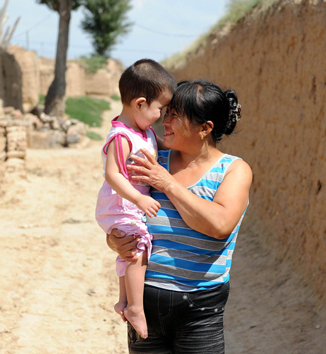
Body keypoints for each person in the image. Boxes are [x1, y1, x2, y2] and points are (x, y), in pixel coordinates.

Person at [107, 79, 252, 353]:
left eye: (176, 115)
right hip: (145, 304)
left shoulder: (234, 170)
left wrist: (168, 184)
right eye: (167, 112)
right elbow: (121, 211)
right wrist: (114, 240)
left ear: (204, 128)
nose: (166, 121)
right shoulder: (152, 161)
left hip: (200, 309)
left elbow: (219, 225)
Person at [95, 59, 177, 339]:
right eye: (159, 109)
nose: (161, 116)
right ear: (140, 103)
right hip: (121, 203)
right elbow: (113, 175)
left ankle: (122, 300)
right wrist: (139, 200)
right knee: (137, 249)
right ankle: (135, 308)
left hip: (128, 204)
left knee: (130, 250)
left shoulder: (142, 131)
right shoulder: (121, 136)